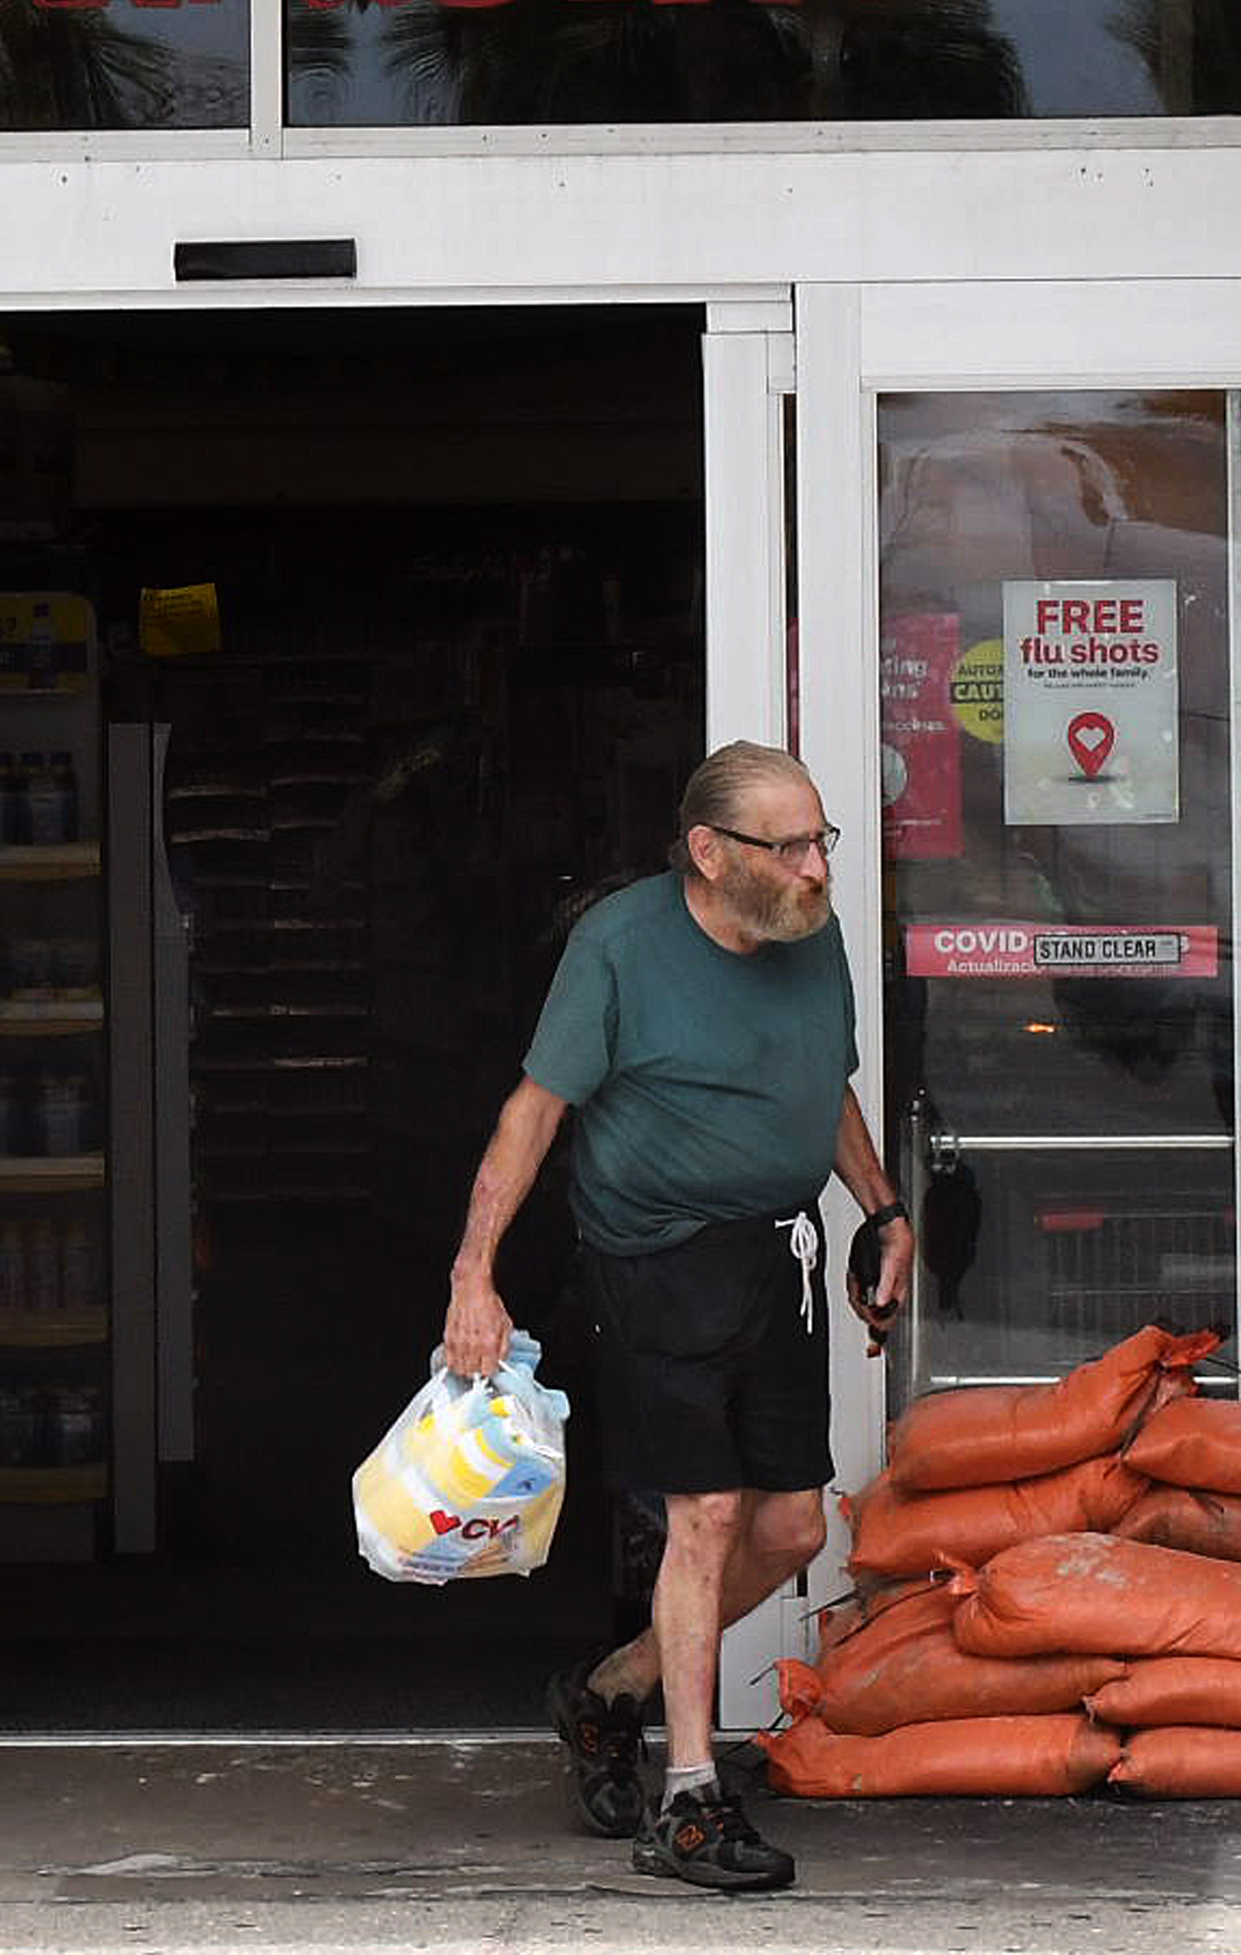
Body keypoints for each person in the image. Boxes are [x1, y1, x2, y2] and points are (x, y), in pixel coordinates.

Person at [441, 741, 911, 1895]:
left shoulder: (812, 932)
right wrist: (473, 1273)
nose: (816, 866)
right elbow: (532, 1111)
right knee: (702, 1512)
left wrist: (884, 1206)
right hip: (654, 1263)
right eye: (789, 845)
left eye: (821, 840)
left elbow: (823, 1083)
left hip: (778, 1257)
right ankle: (690, 1800)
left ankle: (609, 1693)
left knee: (794, 1529)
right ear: (709, 853)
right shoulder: (620, 948)